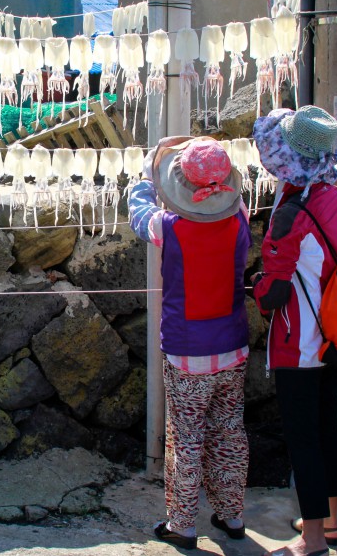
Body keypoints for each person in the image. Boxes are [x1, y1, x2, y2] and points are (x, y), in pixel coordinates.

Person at [251, 105, 337, 556]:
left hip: (300, 341)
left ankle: (312, 539)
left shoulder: (291, 212)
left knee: (303, 435)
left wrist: (257, 287)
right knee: (327, 428)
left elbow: (273, 291)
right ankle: (331, 522)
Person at [129, 136, 251, 551]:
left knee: (186, 435)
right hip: (233, 344)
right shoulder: (241, 218)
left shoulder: (169, 227)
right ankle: (231, 514)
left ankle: (182, 524)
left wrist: (146, 176)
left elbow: (138, 213)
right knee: (229, 429)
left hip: (186, 351)